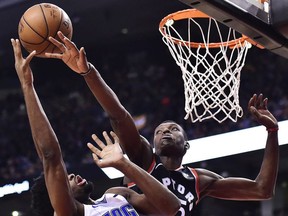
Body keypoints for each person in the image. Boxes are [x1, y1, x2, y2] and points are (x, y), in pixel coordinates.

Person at [45, 31, 279, 215]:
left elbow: (262, 190)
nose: (165, 131)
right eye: (159, 131)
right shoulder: (143, 157)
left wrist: (272, 131)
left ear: (186, 146)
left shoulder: (199, 180)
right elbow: (119, 115)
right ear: (153, 144)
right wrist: (88, 72)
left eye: (173, 129)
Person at [11, 38, 181, 216]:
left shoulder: (116, 196)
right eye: (63, 181)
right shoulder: (69, 212)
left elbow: (172, 207)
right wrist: (27, 85)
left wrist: (123, 163)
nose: (69, 175)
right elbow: (50, 156)